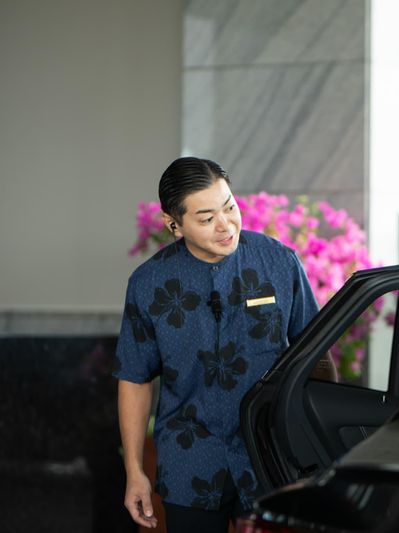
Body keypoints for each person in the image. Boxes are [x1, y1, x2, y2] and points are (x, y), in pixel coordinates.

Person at [114, 157, 334, 532]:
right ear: (173, 224)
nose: (225, 225)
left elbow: (317, 356)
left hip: (271, 457)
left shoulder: (278, 262)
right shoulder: (148, 283)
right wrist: (135, 471)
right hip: (190, 461)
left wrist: (317, 449)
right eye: (206, 218)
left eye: (229, 207)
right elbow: (135, 377)